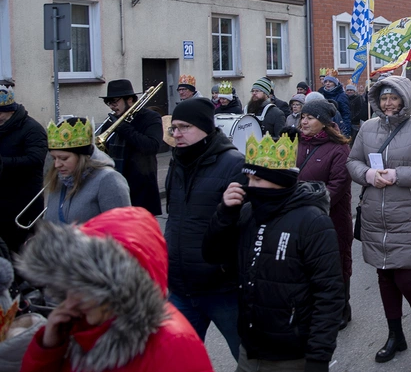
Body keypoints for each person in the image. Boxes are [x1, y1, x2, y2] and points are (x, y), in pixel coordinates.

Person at [203, 133, 344, 372]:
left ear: (278, 180)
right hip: (250, 350)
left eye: (257, 180)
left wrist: (319, 357)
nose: (250, 187)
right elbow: (214, 256)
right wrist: (224, 215)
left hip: (291, 357)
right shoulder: (247, 212)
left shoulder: (312, 221)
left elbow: (328, 293)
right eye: (248, 179)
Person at [17, 207, 214, 372]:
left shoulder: (174, 345)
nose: (69, 302)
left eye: (86, 289)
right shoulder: (76, 328)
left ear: (121, 289)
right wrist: (47, 348)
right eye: (69, 287)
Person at [346, 76, 411, 364]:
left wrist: (397, 176)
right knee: (384, 274)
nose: (388, 103)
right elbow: (353, 161)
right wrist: (368, 175)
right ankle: (395, 335)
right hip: (376, 212)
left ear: (404, 99)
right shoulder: (367, 128)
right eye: (383, 98)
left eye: (393, 98)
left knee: (407, 275)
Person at [164, 98, 244, 359]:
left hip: (222, 287)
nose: (177, 134)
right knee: (178, 361)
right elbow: (174, 219)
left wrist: (225, 268)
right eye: (173, 128)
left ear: (205, 127)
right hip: (181, 286)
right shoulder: (177, 162)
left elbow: (244, 225)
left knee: (248, 359)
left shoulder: (234, 163)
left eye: (184, 127)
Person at [295, 98, 353, 330]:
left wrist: (310, 209)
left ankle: (342, 308)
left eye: (309, 117)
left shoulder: (339, 149)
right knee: (306, 264)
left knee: (337, 264)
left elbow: (337, 185)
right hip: (298, 217)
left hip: (331, 219)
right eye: (303, 117)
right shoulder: (295, 143)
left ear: (323, 122)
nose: (304, 121)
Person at [44, 117, 131, 224]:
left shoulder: (108, 180)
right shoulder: (61, 178)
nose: (57, 165)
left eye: (64, 158)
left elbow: (122, 229)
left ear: (82, 157)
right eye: (54, 158)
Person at [95, 79, 164, 215]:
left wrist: (122, 127)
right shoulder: (111, 121)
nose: (111, 106)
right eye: (109, 102)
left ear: (130, 100)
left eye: (115, 101)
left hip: (141, 188)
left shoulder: (150, 118)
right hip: (115, 186)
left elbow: (152, 146)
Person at [0, 86, 47, 253]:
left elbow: (35, 160)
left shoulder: (32, 128)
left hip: (24, 204)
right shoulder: (3, 126)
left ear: (11, 110)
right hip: (3, 202)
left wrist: (3, 163)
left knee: (22, 252)